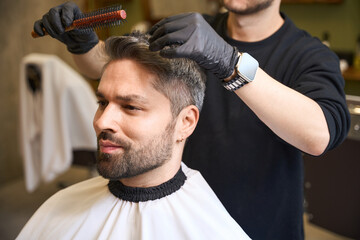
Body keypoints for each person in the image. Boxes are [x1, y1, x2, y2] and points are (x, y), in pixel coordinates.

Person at [33, 1, 350, 239]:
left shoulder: (308, 54)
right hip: (172, 213)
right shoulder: (193, 31)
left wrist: (229, 62)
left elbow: (319, 134)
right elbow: (116, 75)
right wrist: (84, 43)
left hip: (259, 224)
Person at [17, 33, 250, 239]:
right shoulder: (59, 209)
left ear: (185, 123)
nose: (101, 122)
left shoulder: (213, 231)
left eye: (130, 107)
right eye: (102, 102)